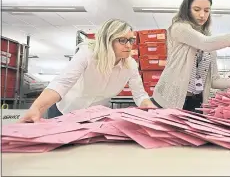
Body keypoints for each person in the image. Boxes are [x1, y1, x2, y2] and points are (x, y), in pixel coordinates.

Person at [20, 19, 155, 123]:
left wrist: (150, 109)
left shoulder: (130, 65)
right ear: (107, 41)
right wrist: (37, 108)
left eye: (131, 40)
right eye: (122, 40)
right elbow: (62, 83)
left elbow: (139, 95)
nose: (128, 45)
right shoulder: (87, 54)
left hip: (95, 117)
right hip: (64, 112)